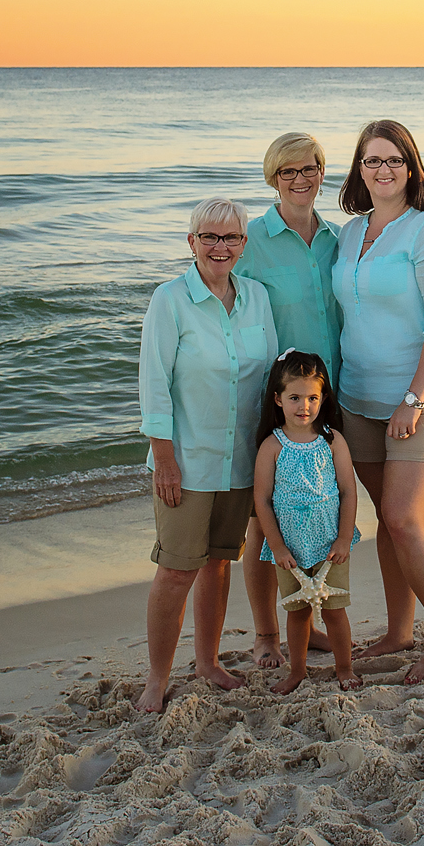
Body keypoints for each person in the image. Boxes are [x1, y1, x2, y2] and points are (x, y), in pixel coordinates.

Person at [333, 119, 424, 684]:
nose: (383, 170)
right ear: (358, 171)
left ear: (411, 169)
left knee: (402, 517)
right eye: (372, 161)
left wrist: (413, 397)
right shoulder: (349, 233)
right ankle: (397, 630)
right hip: (358, 395)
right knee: (385, 521)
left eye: (394, 160)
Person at [134, 196, 279, 712]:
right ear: (191, 242)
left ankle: (209, 663)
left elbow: (269, 382)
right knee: (176, 570)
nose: (221, 247)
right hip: (187, 462)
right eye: (210, 237)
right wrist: (164, 457)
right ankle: (156, 679)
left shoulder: (258, 297)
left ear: (244, 243)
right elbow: (154, 385)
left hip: (240, 462)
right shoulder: (169, 300)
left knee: (219, 564)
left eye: (231, 237)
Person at [234, 132, 344, 670]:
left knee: (317, 509)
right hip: (277, 401)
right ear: (272, 178)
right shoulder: (251, 240)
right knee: (267, 519)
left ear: (324, 173)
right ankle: (265, 634)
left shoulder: (337, 239)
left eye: (310, 169)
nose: (301, 180)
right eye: (288, 172)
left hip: (331, 396)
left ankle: (308, 617)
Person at [251, 349, 361, 694]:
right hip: (290, 550)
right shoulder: (272, 446)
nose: (304, 406)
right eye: (295, 397)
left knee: (335, 611)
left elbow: (348, 492)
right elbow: (262, 502)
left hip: (330, 545)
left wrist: (344, 539)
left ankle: (344, 667)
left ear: (323, 398)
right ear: (278, 399)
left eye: (312, 397)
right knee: (297, 614)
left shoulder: (332, 440)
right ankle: (297, 670)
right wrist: (278, 547)